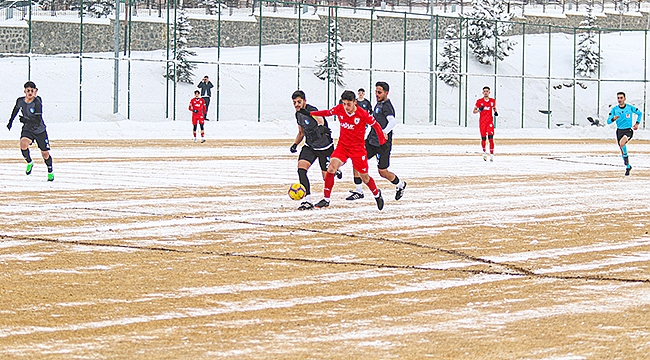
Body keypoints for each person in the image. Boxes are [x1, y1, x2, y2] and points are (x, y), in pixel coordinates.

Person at [304, 90, 388, 210]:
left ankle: (376, 194)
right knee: (331, 167)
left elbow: (376, 125)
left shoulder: (362, 114)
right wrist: (310, 113)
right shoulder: (340, 109)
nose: (346, 107)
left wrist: (382, 143)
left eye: (348, 104)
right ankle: (326, 199)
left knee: (364, 177)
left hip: (358, 149)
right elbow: (327, 113)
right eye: (344, 103)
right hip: (343, 147)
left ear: (355, 102)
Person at [347, 81, 407, 201]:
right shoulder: (378, 104)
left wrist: (384, 132)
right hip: (371, 141)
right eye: (376, 92)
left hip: (382, 144)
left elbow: (392, 121)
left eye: (379, 92)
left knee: (383, 172)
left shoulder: (387, 106)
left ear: (386, 93)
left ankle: (400, 185)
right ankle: (359, 191)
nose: (377, 94)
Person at [290, 90, 341, 210]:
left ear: (304, 101)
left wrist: (322, 127)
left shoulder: (311, 110)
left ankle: (335, 169)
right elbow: (301, 132)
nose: (297, 104)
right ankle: (307, 200)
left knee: (326, 177)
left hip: (325, 148)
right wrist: (295, 144)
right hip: (310, 147)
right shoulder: (298, 114)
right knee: (301, 170)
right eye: (294, 103)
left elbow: (320, 120)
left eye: (299, 102)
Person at [6, 81, 54, 181]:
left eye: (32, 90)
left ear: (35, 91)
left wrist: (25, 120)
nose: (30, 92)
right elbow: (15, 109)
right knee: (23, 144)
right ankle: (29, 162)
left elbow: (37, 120)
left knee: (45, 154)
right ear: (25, 91)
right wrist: (10, 121)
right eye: (28, 90)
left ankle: (50, 171)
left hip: (39, 130)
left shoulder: (37, 102)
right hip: (28, 129)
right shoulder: (20, 101)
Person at [607, 91, 643, 176]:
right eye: (618, 98)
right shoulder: (615, 109)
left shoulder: (630, 108)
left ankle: (627, 163)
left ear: (625, 99)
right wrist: (613, 119)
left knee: (622, 143)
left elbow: (640, 113)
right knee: (622, 150)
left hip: (628, 131)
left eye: (621, 98)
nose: (619, 99)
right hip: (619, 131)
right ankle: (628, 166)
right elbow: (608, 121)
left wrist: (637, 123)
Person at [473, 86, 498, 162]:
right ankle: (484, 152)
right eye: (484, 91)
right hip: (482, 122)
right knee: (484, 138)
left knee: (491, 137)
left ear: (489, 92)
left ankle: (492, 154)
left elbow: (493, 107)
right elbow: (474, 111)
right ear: (482, 92)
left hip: (489, 122)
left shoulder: (492, 101)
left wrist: (495, 112)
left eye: (487, 91)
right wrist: (479, 110)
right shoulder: (479, 101)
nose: (486, 92)